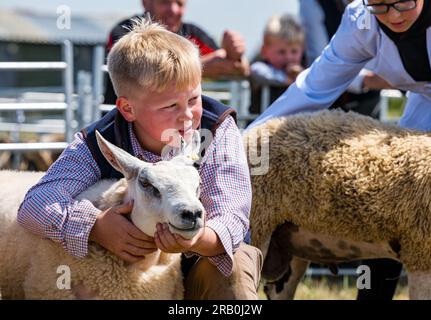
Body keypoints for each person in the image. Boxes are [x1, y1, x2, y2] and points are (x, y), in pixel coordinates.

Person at [18, 19, 262, 300]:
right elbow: (35, 204)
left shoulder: (217, 129)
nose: (187, 116)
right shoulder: (98, 141)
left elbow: (232, 216)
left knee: (232, 271)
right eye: (170, 105)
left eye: (194, 99)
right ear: (128, 108)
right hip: (133, 263)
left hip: (203, 253)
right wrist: (95, 226)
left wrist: (194, 240)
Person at [249, 0, 431, 299]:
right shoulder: (363, 21)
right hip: (422, 106)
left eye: (402, 2)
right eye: (380, 5)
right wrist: (244, 141)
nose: (393, 15)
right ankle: (371, 296)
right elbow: (314, 86)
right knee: (401, 204)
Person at [103, 0, 250, 105]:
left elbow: (237, 67)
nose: (173, 10)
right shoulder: (126, 31)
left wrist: (236, 54)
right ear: (146, 2)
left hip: (176, 127)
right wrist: (198, 67)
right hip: (124, 124)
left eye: (179, 3)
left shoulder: (192, 34)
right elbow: (142, 70)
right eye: (165, 2)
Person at [300, 0, 391, 119]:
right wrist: (367, 79)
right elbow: (319, 62)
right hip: (329, 104)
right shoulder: (313, 3)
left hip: (369, 99)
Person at [249, 14, 305, 116]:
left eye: (294, 51)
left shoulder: (301, 72)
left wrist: (301, 76)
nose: (288, 57)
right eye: (281, 52)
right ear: (264, 51)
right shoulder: (262, 67)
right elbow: (256, 70)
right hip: (261, 126)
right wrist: (286, 79)